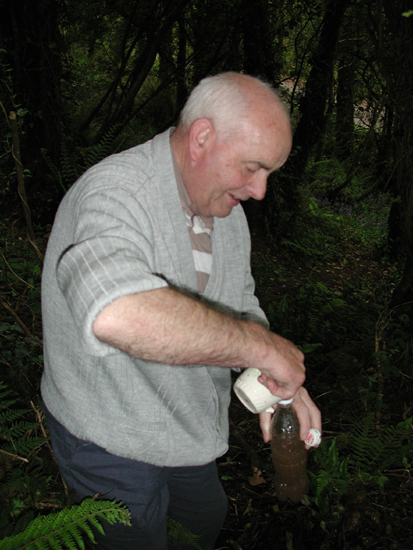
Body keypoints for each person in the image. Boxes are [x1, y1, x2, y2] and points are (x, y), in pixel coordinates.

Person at [41, 72, 322, 550]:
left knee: (204, 520)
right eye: (253, 168)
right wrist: (263, 347)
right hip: (106, 433)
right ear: (203, 138)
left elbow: (240, 305)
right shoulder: (115, 193)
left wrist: (273, 378)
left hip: (185, 425)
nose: (260, 191)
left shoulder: (225, 214)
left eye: (269, 174)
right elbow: (114, 311)